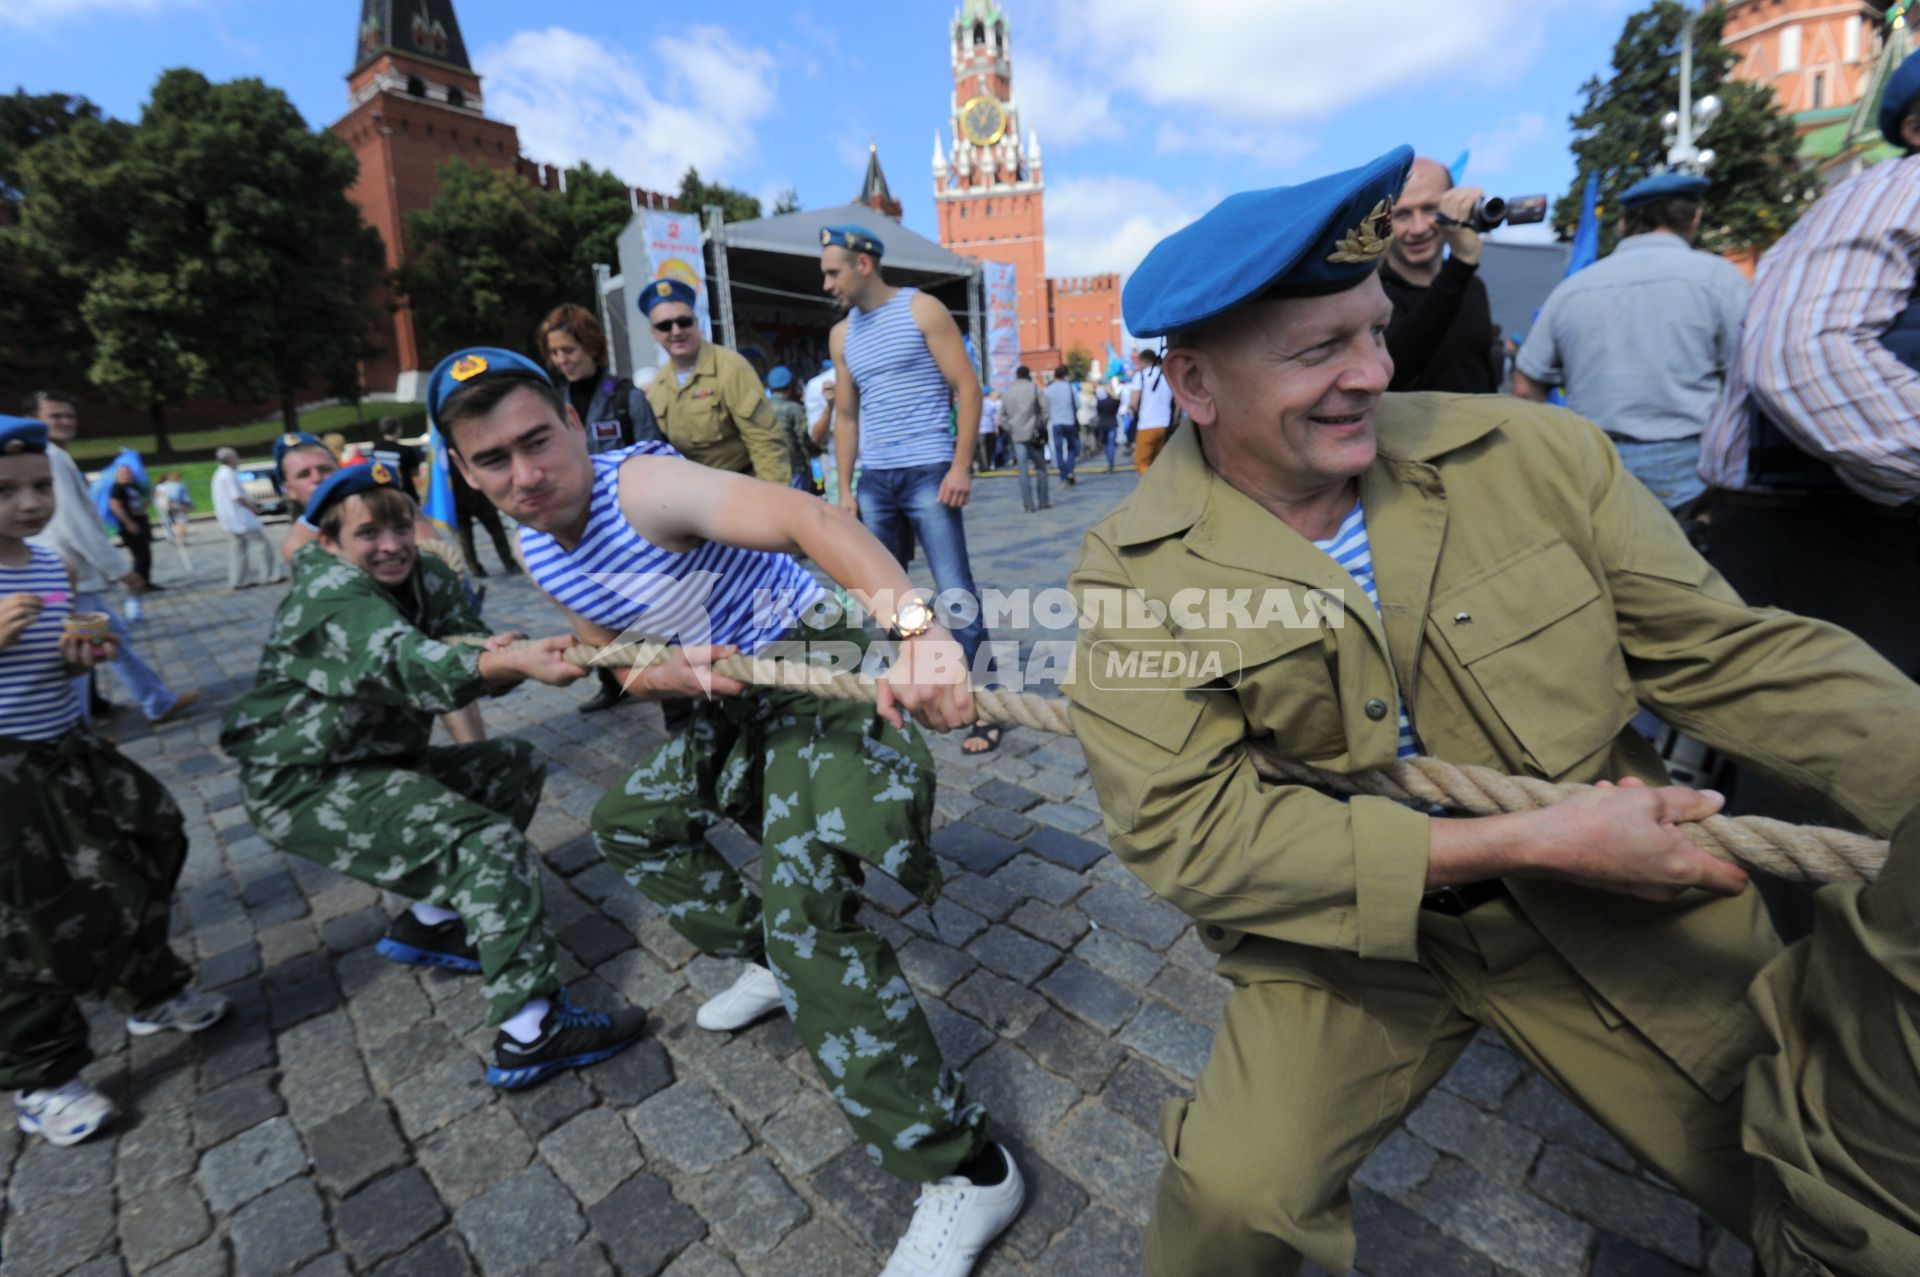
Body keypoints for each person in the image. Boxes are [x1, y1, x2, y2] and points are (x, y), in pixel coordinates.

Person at [1065, 145, 1920, 1277]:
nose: (1370, 372)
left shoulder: (1536, 456)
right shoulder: (1125, 576)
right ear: (1195, 385)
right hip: (1351, 940)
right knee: (1232, 1204)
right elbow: (1195, 832)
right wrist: (1532, 837)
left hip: (1613, 902)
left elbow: (1734, 657)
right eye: (1320, 349)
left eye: (1373, 329)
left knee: (1826, 1194)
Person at [432, 346, 1026, 1277]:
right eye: (493, 461)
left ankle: (967, 1165)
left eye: (537, 441)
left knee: (812, 925)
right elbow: (618, 660)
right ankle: (765, 960)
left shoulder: (647, 489)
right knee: (629, 819)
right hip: (734, 690)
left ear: (574, 424)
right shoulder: (530, 540)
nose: (525, 474)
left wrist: (919, 633)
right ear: (464, 473)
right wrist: (668, 669)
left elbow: (807, 516)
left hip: (814, 662)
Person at [218, 461, 648, 1089]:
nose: (391, 545)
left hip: (380, 761)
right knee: (485, 843)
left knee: (512, 766)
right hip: (305, 782)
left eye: (400, 526)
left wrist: (501, 654)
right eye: (369, 534)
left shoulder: (424, 574)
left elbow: (463, 647)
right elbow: (414, 664)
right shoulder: (328, 595)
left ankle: (430, 923)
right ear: (331, 544)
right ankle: (533, 1031)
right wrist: (505, 662)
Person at [0, 415, 230, 1147]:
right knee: (25, 918)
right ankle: (42, 1077)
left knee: (150, 836)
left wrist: (79, 655)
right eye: (7, 491)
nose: (31, 502)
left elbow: (56, 667)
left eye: (40, 485)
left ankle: (148, 990)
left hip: (66, 748)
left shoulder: (45, 564)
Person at [822, 224, 1005, 754]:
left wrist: (961, 466)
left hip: (929, 470)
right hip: (876, 481)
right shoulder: (842, 336)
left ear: (863, 264)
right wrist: (846, 488)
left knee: (955, 590)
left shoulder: (922, 309)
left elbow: (967, 388)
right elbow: (847, 416)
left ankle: (985, 704)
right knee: (884, 595)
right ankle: (920, 680)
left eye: (833, 272)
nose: (827, 284)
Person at [1514, 172, 1748, 514]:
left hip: (1594, 471)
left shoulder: (1572, 289)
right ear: (1694, 218)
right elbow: (1750, 378)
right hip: (1693, 479)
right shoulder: (1720, 279)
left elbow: (1524, 387)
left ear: (1624, 223)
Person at [25, 391, 196, 726]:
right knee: (86, 647)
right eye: (55, 416)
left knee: (107, 641)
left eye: (68, 416)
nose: (65, 422)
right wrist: (119, 570)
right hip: (65, 578)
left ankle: (152, 702)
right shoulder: (49, 457)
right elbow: (73, 524)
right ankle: (81, 722)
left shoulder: (55, 455)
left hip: (67, 577)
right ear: (34, 421)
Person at [641, 280, 791, 485]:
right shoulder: (658, 386)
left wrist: (775, 504)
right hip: (693, 498)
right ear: (654, 333)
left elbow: (765, 443)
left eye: (683, 322)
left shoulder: (730, 368)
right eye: (665, 326)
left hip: (742, 489)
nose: (676, 331)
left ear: (696, 322)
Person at [1378, 155, 1499, 394]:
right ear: (1383, 220)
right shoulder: (1370, 296)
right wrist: (1460, 265)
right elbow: (1390, 370)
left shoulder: (1472, 287)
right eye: (1402, 214)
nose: (1419, 228)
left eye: (1431, 209)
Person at [538, 302, 662, 456]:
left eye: (568, 350)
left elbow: (656, 460)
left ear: (591, 346)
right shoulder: (554, 404)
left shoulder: (627, 399)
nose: (561, 360)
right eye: (554, 352)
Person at [211, 446, 285, 590]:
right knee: (262, 545)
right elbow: (237, 496)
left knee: (238, 550)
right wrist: (253, 508)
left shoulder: (220, 473)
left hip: (230, 519)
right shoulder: (229, 474)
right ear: (231, 459)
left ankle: (237, 580)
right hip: (240, 518)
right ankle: (268, 575)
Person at [765, 366, 819, 493]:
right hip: (795, 469)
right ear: (790, 387)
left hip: (770, 470)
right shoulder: (794, 409)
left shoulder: (763, 409)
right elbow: (804, 438)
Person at [1002, 364, 1048, 512]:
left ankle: (1028, 504)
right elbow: (1046, 411)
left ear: (1016, 376)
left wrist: (1011, 428)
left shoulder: (1008, 393)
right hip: (1034, 436)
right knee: (1041, 468)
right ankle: (1043, 500)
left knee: (1023, 472)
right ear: (1029, 375)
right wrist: (1040, 425)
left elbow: (1002, 418)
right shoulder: (1035, 389)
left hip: (1017, 436)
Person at [107, 462, 155, 591]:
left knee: (146, 555)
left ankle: (146, 582)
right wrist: (129, 523)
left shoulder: (133, 487)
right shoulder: (117, 487)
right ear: (119, 475)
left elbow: (141, 507)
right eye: (124, 473)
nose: (127, 475)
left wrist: (150, 498)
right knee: (139, 556)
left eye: (128, 472)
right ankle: (138, 585)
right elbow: (115, 505)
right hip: (129, 526)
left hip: (140, 522)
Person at [1128, 348, 1175, 473]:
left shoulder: (1140, 376)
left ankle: (1153, 488)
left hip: (1147, 424)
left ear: (1143, 361)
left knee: (1141, 463)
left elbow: (1133, 402)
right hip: (1165, 425)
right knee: (1159, 463)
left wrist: (1134, 414)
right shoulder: (1167, 376)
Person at [367, 416, 425, 497]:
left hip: (383, 492)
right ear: (398, 429)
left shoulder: (376, 447)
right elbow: (415, 474)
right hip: (404, 494)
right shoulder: (406, 451)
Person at [1044, 366, 1079, 488]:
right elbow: (1077, 404)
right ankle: (1070, 471)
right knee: (1071, 448)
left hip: (1056, 422)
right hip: (1069, 421)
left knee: (1058, 450)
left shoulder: (1048, 389)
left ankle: (1063, 475)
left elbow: (1045, 407)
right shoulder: (1070, 387)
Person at [156, 470, 191, 546]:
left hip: (168, 506)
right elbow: (185, 497)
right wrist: (188, 505)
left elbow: (158, 495)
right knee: (181, 523)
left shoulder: (164, 486)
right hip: (178, 505)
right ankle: (180, 540)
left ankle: (173, 537)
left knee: (173, 523)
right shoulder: (180, 485)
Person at [1094, 380, 1121, 473]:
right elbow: (1117, 407)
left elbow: (1098, 412)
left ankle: (1109, 461)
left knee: (1106, 444)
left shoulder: (1100, 402)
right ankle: (1111, 463)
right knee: (1111, 445)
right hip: (1112, 423)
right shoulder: (1115, 401)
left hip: (1103, 424)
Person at [976, 388, 1002, 472]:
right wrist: (996, 428)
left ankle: (984, 466)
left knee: (982, 449)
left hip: (981, 429)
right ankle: (990, 463)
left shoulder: (978, 402)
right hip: (990, 428)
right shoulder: (991, 403)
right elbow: (995, 416)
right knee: (990, 448)